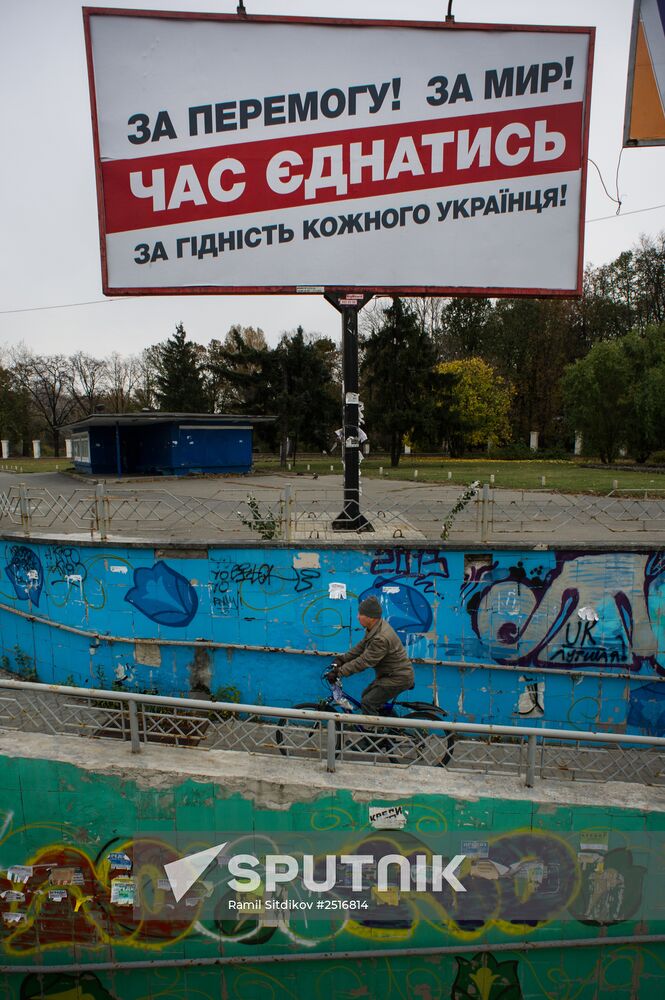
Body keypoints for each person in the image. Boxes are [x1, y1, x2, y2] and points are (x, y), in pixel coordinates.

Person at [328, 595, 415, 715]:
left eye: (360, 614)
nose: (357, 617)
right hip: (390, 675)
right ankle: (386, 723)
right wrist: (342, 659)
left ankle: (372, 732)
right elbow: (361, 647)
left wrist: (340, 672)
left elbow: (365, 661)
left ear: (371, 617)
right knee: (366, 695)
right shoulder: (375, 628)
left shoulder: (381, 637)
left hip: (397, 678)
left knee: (368, 702)